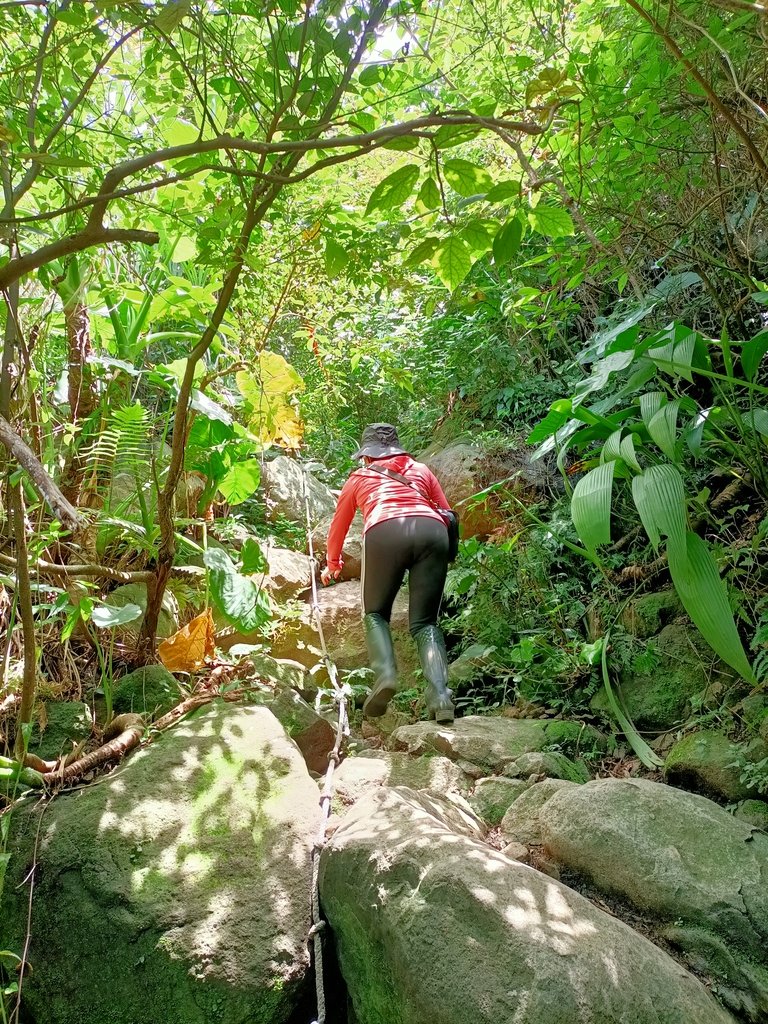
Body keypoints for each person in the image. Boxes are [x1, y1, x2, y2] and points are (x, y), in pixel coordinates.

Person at [320, 423, 455, 723]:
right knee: (425, 623)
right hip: (433, 532)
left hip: (384, 531)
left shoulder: (359, 477)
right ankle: (440, 696)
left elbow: (338, 529)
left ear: (367, 456)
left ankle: (385, 677)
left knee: (376, 613)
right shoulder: (422, 470)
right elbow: (447, 513)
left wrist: (333, 564)